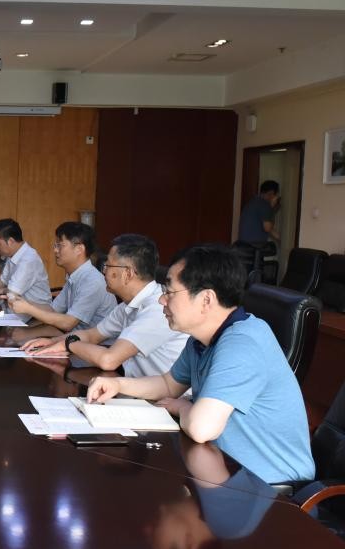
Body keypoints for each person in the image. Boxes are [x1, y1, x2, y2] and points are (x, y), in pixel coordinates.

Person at [87, 244, 314, 484]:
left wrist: (182, 406)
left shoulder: (243, 343)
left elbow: (201, 428)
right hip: (222, 469)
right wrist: (117, 385)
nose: (162, 300)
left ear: (206, 299)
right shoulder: (201, 340)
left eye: (170, 292)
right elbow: (168, 384)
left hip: (271, 488)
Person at [22, 234, 187, 377]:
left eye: (107, 266)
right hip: (138, 389)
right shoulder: (127, 306)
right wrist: (53, 342)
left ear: (127, 273)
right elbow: (92, 335)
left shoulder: (157, 308)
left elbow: (109, 360)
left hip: (167, 399)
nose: (103, 271)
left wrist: (68, 344)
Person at [9, 222, 114, 333]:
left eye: (60, 245)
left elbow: (68, 323)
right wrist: (25, 302)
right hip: (76, 337)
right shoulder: (74, 276)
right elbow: (53, 310)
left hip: (95, 342)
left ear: (79, 249)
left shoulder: (92, 281)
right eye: (55, 245)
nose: (55, 250)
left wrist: (28, 309)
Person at [0, 219, 52, 314]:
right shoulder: (12, 255)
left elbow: (11, 293)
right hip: (16, 310)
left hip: (35, 314)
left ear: (10, 241)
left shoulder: (28, 259)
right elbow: (3, 281)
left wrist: (1, 290)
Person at [237, 179, 280, 244]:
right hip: (253, 246)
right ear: (271, 193)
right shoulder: (264, 204)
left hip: (244, 244)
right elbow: (268, 228)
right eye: (276, 194)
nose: (276, 197)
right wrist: (272, 207)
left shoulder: (253, 201)